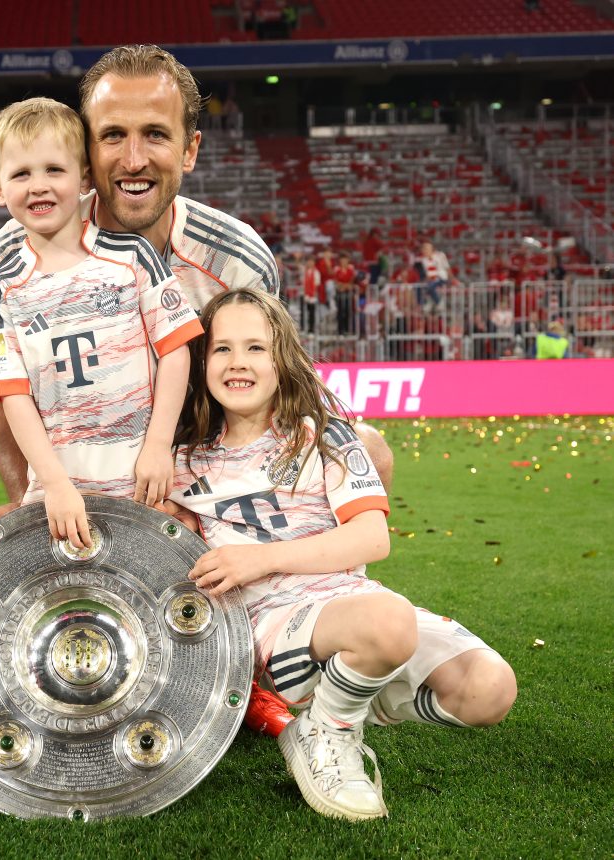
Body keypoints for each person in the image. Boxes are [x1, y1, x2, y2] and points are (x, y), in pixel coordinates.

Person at [0, 45, 392, 736]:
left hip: (201, 466)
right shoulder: (13, 251)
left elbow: (281, 388)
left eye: (155, 135)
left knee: (365, 449)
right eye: (113, 136)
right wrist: (31, 505)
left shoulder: (236, 255)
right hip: (77, 464)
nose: (133, 158)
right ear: (85, 148)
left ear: (190, 149)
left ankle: (267, 647)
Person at [168, 288, 516, 821]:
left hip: (350, 604)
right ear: (202, 363)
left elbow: (371, 539)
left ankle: (333, 710)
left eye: (256, 348)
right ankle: (332, 735)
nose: (239, 362)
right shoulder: (185, 461)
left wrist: (259, 558)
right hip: (270, 623)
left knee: (489, 689)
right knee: (389, 623)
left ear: (283, 359)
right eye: (222, 349)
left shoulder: (326, 436)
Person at [0, 96, 201, 546]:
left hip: (141, 474)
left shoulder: (132, 256)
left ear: (83, 177)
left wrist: (158, 447)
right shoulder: (2, 287)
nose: (38, 186)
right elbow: (12, 396)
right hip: (58, 487)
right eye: (21, 174)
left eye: (53, 170)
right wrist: (53, 483)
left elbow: (176, 351)